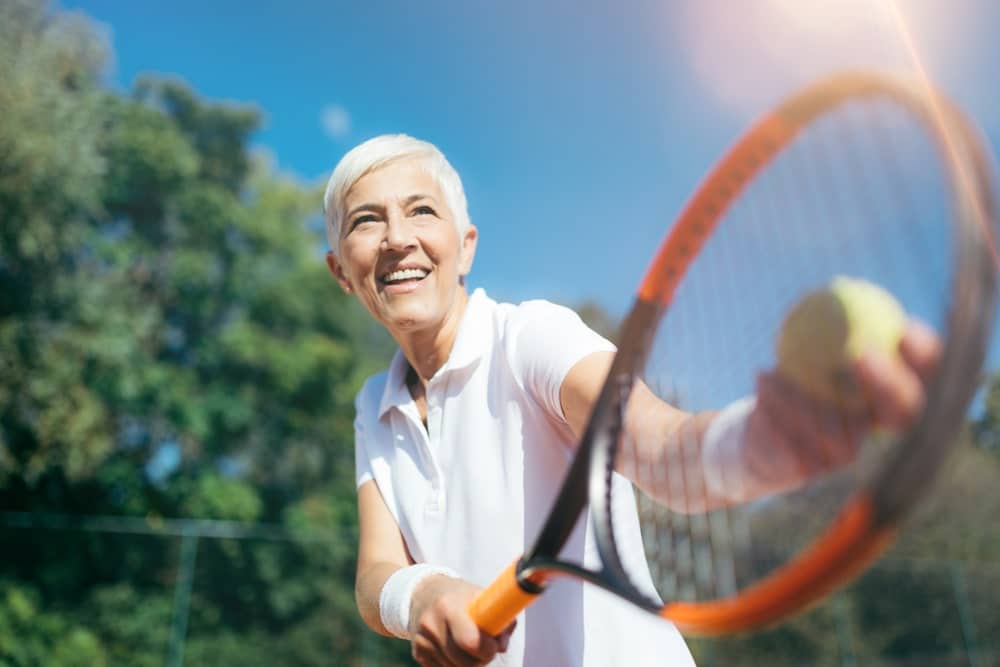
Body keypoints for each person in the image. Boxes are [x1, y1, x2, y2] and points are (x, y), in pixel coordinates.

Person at [323, 134, 939, 666]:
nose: (396, 239)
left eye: (421, 211)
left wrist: (753, 445)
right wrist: (423, 595)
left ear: (467, 246)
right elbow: (376, 573)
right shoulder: (372, 405)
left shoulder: (533, 336)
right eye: (366, 221)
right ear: (340, 272)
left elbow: (661, 444)